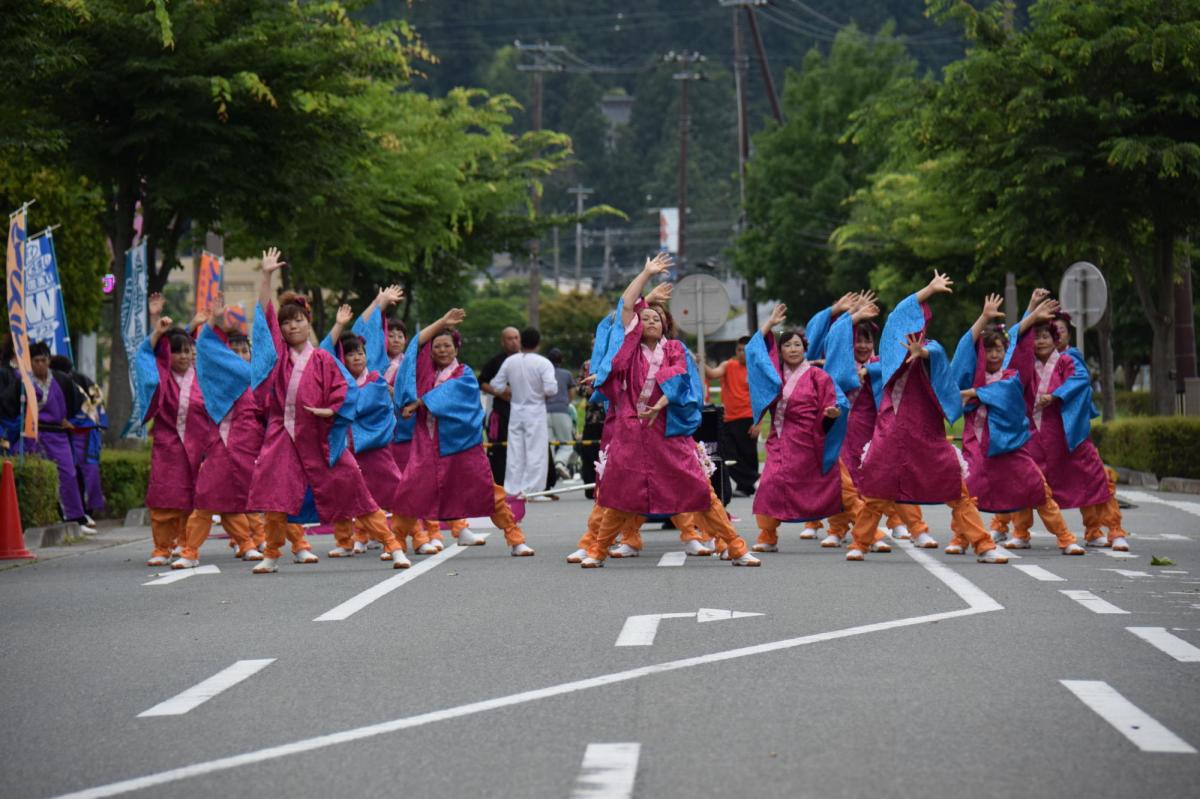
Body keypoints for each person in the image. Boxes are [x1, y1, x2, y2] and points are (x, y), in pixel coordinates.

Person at [584, 253, 759, 568]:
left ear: (666, 324)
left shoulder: (675, 350)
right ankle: (598, 549)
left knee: (699, 490)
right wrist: (646, 273)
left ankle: (735, 545)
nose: (650, 320)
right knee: (620, 494)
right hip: (631, 431)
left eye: (656, 318)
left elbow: (679, 382)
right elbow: (627, 304)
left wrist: (659, 405)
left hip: (668, 430)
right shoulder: (628, 351)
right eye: (646, 317)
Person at [245, 247, 407, 574]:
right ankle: (272, 553)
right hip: (283, 436)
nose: (293, 327)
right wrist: (265, 276)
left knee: (355, 490)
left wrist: (330, 411)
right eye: (287, 323)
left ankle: (393, 545)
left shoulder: (321, 358)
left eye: (299, 321)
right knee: (276, 498)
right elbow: (264, 317)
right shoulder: (276, 355)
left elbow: (344, 390)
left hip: (322, 437)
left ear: (308, 323)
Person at [846, 271, 1008, 564]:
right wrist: (928, 290)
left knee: (957, 491)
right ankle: (860, 542)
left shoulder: (933, 351)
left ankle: (983, 545)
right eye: (907, 325)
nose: (911, 331)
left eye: (917, 326)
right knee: (876, 491)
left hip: (927, 437)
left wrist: (982, 319)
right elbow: (896, 315)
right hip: (891, 436)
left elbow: (961, 350)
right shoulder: (889, 358)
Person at [391, 308, 534, 556]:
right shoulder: (425, 374)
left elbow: (455, 394)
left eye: (448, 346)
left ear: (456, 349)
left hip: (461, 446)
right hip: (428, 447)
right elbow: (416, 344)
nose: (443, 350)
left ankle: (515, 538)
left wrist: (422, 402)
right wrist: (442, 322)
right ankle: (396, 545)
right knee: (410, 493)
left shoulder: (464, 374)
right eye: (438, 346)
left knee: (488, 493)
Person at [952, 294, 1085, 555]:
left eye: (998, 350)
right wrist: (983, 318)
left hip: (1010, 446)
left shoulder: (1012, 374)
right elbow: (965, 347)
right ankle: (961, 538)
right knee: (966, 493)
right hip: (978, 446)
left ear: (1005, 351)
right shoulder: (973, 376)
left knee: (1037, 489)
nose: (993, 355)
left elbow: (1009, 387)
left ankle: (1066, 538)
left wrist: (976, 394)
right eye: (988, 350)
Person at [1021, 307, 1129, 551]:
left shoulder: (1069, 359)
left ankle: (1111, 529)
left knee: (1094, 480)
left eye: (1050, 334)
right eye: (1038, 336)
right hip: (1036, 433)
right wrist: (1031, 307)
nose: (1042, 340)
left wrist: (1057, 395)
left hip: (1069, 432)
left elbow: (1080, 381)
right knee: (1025, 479)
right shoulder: (1027, 362)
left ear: (1061, 336)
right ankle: (1016, 530)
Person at [175, 293, 266, 567]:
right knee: (208, 497)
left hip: (251, 445)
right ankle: (190, 551)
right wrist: (212, 321)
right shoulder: (216, 381)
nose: (238, 357)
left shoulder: (260, 382)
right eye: (232, 352)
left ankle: (284, 543)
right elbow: (207, 349)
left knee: (258, 498)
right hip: (221, 445)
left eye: (243, 351)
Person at [133, 317, 215, 566]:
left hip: (199, 446)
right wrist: (159, 330)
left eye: (188, 351)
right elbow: (146, 355)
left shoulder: (204, 376)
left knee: (194, 500)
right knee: (165, 497)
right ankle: (161, 547)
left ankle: (186, 544)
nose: (183, 356)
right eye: (177, 351)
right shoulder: (161, 374)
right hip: (168, 446)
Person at [25, 342, 92, 533]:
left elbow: (77, 399)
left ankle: (76, 518)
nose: (40, 364)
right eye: (36, 361)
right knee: (39, 476)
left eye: (43, 360)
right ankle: (44, 517)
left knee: (68, 474)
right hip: (34, 434)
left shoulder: (61, 379)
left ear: (48, 360)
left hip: (58, 433)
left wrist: (68, 419)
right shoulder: (24, 381)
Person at [488, 327, 557, 500]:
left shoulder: (510, 361)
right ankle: (533, 491)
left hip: (516, 410)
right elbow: (551, 389)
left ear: (521, 341)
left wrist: (512, 391)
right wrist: (537, 392)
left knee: (515, 451)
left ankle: (512, 489)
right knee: (536, 451)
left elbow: (496, 385)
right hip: (535, 410)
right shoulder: (543, 363)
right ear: (538, 343)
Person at [50, 354, 107, 522]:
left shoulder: (69, 381)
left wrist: (71, 422)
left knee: (83, 474)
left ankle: (84, 512)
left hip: (82, 434)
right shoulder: (77, 379)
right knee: (76, 473)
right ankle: (80, 511)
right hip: (76, 433)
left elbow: (93, 408)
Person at [705, 336, 759, 496]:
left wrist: (759, 422)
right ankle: (752, 479)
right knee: (727, 454)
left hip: (749, 417)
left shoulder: (756, 369)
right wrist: (700, 362)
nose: (742, 353)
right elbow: (713, 374)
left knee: (748, 455)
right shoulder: (728, 365)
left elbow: (761, 397)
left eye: (746, 350)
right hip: (729, 417)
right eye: (739, 350)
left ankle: (746, 486)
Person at [479, 327, 521, 484]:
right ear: (503, 342)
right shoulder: (496, 362)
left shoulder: (528, 359)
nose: (514, 341)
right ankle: (500, 482)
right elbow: (481, 382)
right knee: (500, 448)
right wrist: (500, 392)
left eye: (516, 337)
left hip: (525, 411)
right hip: (502, 411)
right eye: (510, 338)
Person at [545, 347, 577, 480]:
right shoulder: (566, 374)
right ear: (562, 360)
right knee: (567, 443)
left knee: (549, 444)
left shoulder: (543, 373)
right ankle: (560, 463)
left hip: (544, 412)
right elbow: (572, 394)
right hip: (562, 412)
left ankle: (550, 470)